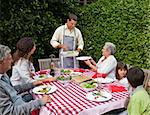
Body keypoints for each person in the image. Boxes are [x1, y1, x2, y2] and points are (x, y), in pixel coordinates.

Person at [0, 44, 51, 115]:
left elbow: (12, 89)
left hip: (20, 101)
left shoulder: (3, 75)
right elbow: (10, 112)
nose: (12, 61)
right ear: (1, 62)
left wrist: (32, 84)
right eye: (9, 58)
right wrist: (39, 102)